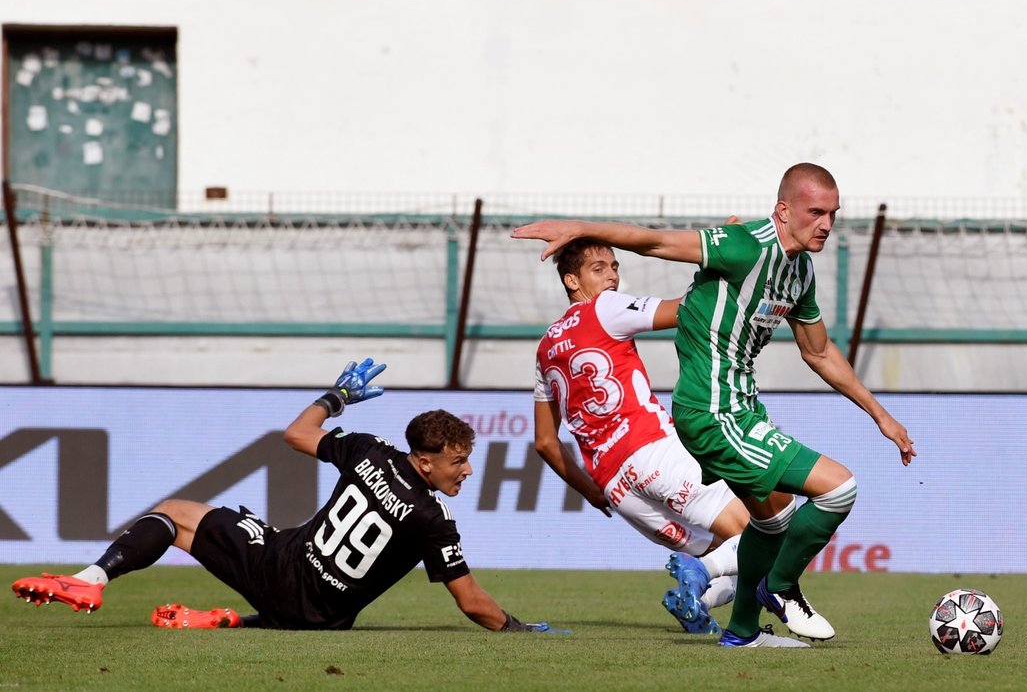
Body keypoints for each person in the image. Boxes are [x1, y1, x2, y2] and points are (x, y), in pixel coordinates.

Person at [514, 163, 916, 648]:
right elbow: (655, 243)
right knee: (838, 490)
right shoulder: (742, 245)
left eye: (833, 213)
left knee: (770, 522)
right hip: (707, 417)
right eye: (816, 212)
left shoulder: (798, 272)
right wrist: (582, 227)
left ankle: (741, 631)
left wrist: (880, 414)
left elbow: (818, 351)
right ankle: (778, 587)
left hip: (618, 477)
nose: (827, 223)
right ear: (784, 210)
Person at [11, 358, 563, 634]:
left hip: (277, 570)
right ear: (425, 460)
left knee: (175, 514)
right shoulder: (432, 519)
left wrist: (337, 396)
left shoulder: (370, 453)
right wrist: (520, 629)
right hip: (318, 620)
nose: (466, 470)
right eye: (457, 460)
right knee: (294, 597)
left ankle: (89, 580)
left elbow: (296, 434)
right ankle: (227, 621)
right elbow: (471, 604)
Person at [530, 236, 819, 640]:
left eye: (615, 266)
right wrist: (728, 266)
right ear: (571, 280)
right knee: (767, 530)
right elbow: (688, 310)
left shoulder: (545, 348)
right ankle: (735, 618)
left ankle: (701, 605)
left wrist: (593, 492)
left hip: (615, 486)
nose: (612, 275)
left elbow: (545, 441)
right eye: (599, 269)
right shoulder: (605, 308)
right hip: (654, 451)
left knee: (721, 550)